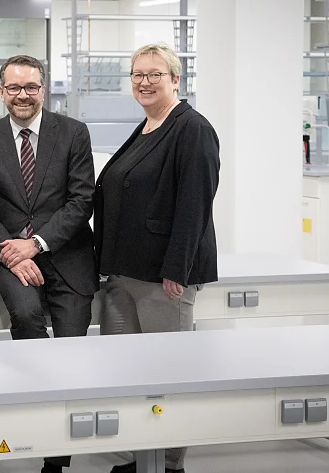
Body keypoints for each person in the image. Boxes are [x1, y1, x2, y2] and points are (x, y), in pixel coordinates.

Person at [94, 43, 220, 473]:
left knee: (167, 373)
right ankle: (142, 454)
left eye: (154, 74)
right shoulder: (149, 125)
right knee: (129, 372)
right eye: (137, 75)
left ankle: (169, 462)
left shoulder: (192, 129)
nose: (144, 82)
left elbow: (195, 205)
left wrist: (177, 270)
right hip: (125, 272)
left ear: (175, 80)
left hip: (161, 279)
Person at [0, 54, 98, 473]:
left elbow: (82, 201)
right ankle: (29, 416)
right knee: (26, 320)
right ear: (2, 91)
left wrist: (37, 244)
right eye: (14, 88)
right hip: (11, 259)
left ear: (43, 89)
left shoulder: (74, 133)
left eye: (31, 87)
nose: (23, 95)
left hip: (69, 256)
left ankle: (56, 458)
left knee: (71, 355)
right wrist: (12, 250)